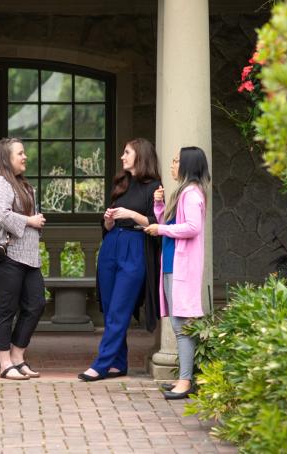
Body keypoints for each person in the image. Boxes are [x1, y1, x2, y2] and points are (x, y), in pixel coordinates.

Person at [79, 138, 162, 381]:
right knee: (109, 307)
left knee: (119, 308)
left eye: (127, 152)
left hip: (135, 247)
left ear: (140, 156)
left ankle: (101, 364)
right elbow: (108, 225)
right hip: (111, 244)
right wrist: (108, 221)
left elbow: (158, 223)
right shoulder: (122, 183)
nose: (122, 157)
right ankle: (119, 363)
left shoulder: (155, 187)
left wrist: (132, 214)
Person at [145, 146, 210, 399]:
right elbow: (170, 225)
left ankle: (185, 381)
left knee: (182, 326)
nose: (172, 165)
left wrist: (159, 230)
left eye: (176, 161)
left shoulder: (192, 194)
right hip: (173, 265)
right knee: (178, 324)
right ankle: (183, 379)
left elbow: (192, 227)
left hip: (182, 268)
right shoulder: (182, 193)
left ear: (187, 165)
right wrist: (159, 205)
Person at [0, 137, 47, 380]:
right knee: (5, 309)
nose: (25, 156)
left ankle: (18, 356)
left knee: (36, 304)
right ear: (6, 158)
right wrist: (30, 221)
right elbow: (1, 214)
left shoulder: (23, 184)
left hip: (28, 258)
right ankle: (5, 363)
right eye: (20, 153)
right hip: (4, 257)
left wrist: (36, 222)